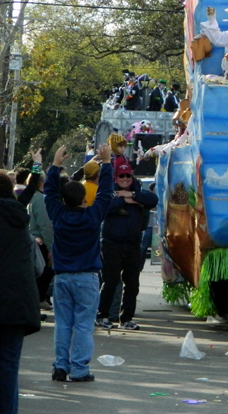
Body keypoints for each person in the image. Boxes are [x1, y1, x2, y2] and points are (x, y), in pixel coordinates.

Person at [45, 144, 114, 383]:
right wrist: (106, 163)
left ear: (64, 200)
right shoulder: (92, 217)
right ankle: (80, 369)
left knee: (63, 324)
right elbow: (106, 193)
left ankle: (60, 366)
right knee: (83, 326)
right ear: (85, 199)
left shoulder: (57, 214)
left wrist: (55, 165)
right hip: (87, 276)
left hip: (62, 277)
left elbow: (50, 192)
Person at [0, 154, 42, 414]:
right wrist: (38, 164)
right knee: (8, 369)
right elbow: (29, 190)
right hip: (18, 306)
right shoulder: (18, 215)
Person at [96, 164, 158, 331]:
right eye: (121, 176)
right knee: (110, 282)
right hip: (111, 244)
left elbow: (153, 200)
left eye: (127, 176)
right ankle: (103, 315)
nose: (124, 179)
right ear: (115, 178)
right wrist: (124, 200)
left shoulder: (138, 192)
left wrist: (132, 195)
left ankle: (127, 318)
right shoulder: (108, 191)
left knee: (132, 284)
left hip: (132, 245)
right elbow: (104, 208)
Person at [27, 173, 55, 309]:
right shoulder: (41, 200)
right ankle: (39, 299)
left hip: (30, 239)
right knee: (45, 271)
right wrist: (51, 248)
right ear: (42, 183)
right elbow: (45, 226)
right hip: (40, 242)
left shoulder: (29, 198)